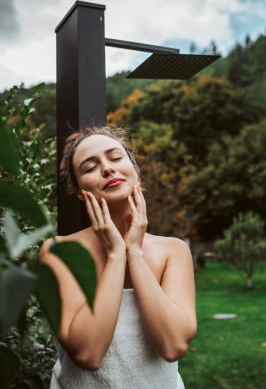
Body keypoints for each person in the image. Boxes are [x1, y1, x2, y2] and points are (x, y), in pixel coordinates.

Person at [40, 125, 196, 389]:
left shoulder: (174, 251)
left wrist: (134, 252)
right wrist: (115, 255)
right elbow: (88, 354)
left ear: (135, 169)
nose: (107, 168)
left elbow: (173, 346)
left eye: (115, 158)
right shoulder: (60, 252)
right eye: (90, 167)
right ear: (80, 191)